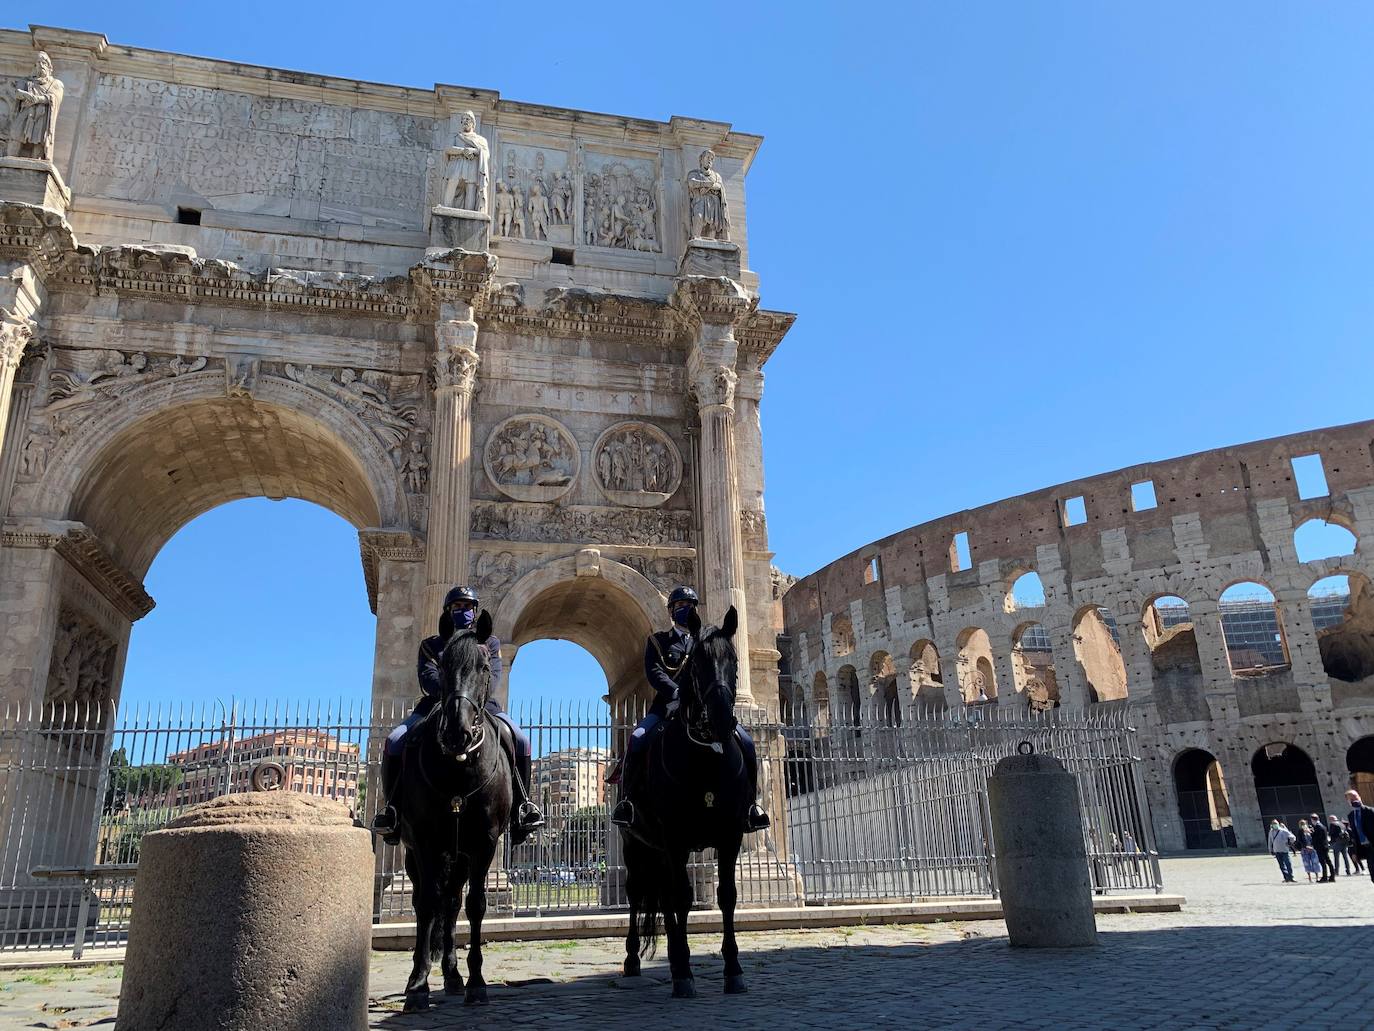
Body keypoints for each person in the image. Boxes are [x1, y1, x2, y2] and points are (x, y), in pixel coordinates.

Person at [371, 585, 544, 846]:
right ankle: (392, 810)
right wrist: (453, 692)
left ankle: (523, 808)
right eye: (456, 607)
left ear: (475, 612)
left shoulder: (489, 643)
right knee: (395, 740)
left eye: (467, 607)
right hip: (434, 706)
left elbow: (494, 676)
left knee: (520, 740)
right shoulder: (431, 645)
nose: (462, 611)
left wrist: (470, 696)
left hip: (482, 706)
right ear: (447, 612)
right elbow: (427, 677)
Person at [609, 586, 769, 833]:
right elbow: (653, 672)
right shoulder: (658, 641)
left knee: (747, 743)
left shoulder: (707, 642)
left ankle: (750, 806)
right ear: (671, 611)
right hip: (666, 707)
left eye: (690, 606)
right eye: (680, 606)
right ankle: (627, 802)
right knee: (637, 739)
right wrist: (675, 693)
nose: (686, 610)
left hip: (705, 709)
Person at [1346, 789, 1374, 883]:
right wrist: (1354, 851)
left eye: (1355, 796)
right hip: (1365, 848)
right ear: (1348, 802)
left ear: (1359, 797)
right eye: (1351, 799)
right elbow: (1354, 834)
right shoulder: (1351, 816)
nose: (1354, 799)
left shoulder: (1370, 811)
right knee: (1373, 876)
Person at [1308, 812, 1334, 882]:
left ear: (1312, 820)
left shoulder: (1318, 827)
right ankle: (1332, 876)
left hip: (1320, 847)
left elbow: (1317, 838)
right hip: (1324, 846)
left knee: (1323, 862)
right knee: (1328, 861)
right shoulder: (1322, 826)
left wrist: (1311, 833)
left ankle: (1325, 877)